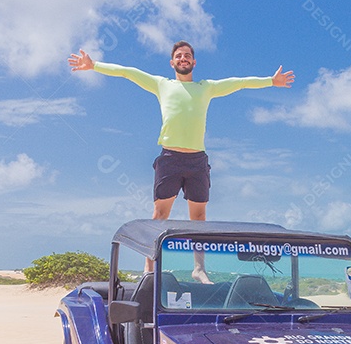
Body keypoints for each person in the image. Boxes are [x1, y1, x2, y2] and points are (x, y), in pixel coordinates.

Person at [68, 41, 294, 281]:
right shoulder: (162, 84)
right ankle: (149, 269)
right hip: (170, 158)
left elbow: (240, 83)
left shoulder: (206, 87)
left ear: (194, 62)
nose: (183, 58)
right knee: (160, 215)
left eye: (187, 55)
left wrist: (271, 81)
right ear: (172, 62)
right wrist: (94, 65)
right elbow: (127, 72)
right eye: (179, 56)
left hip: (197, 160)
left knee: (199, 219)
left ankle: (199, 269)